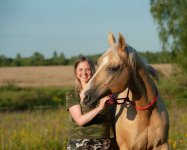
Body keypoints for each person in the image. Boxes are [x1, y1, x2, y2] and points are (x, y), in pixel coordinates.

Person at [66, 55, 118, 150]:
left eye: (87, 69)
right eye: (80, 70)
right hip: (79, 143)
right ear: (76, 72)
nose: (84, 73)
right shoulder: (72, 95)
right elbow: (80, 120)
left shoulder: (105, 93)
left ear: (93, 71)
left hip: (103, 143)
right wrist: (99, 108)